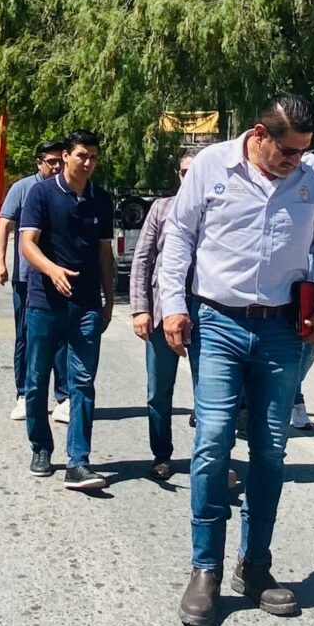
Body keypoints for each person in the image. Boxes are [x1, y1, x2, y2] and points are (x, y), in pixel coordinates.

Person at [157, 97, 314, 626]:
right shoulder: (213, 166)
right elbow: (180, 239)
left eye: (305, 152)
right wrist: (173, 304)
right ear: (260, 134)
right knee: (213, 438)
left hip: (284, 328)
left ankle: (255, 565)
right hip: (217, 321)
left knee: (271, 449)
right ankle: (205, 569)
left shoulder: (313, 176)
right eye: (287, 151)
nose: (296, 161)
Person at [20, 130, 119, 491]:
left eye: (94, 156)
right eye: (82, 156)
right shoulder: (42, 193)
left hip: (86, 305)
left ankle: (78, 461)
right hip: (45, 303)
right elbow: (27, 243)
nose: (88, 163)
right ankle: (41, 447)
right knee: (36, 381)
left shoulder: (101, 200)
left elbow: (105, 253)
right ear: (65, 156)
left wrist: (108, 298)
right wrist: (51, 269)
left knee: (83, 382)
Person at [129, 153, 193, 483]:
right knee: (159, 390)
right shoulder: (161, 208)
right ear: (178, 174)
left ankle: (211, 459)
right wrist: (140, 308)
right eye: (185, 171)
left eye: (195, 171)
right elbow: (142, 260)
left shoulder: (219, 209)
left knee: (211, 393)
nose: (189, 176)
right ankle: (162, 454)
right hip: (161, 311)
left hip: (205, 313)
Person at [0, 143, 68, 422]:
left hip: (59, 276)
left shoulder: (67, 189)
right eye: (51, 162)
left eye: (61, 161)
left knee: (61, 337)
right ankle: (24, 395)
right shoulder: (23, 188)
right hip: (27, 277)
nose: (57, 167)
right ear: (39, 163)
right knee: (26, 336)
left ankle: (64, 398)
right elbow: (4, 225)